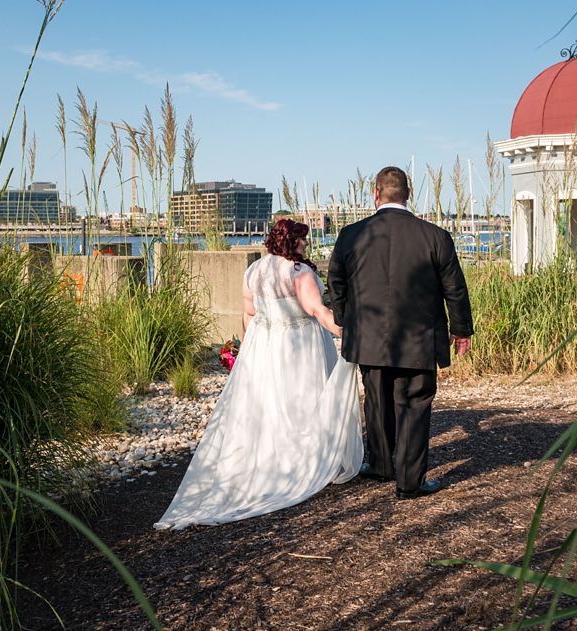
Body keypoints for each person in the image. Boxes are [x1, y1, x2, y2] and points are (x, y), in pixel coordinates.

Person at [154, 220, 363, 529]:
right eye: (302, 240)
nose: (306, 244)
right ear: (291, 241)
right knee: (302, 400)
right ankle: (304, 460)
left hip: (265, 345)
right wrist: (346, 332)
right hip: (300, 346)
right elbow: (317, 311)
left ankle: (272, 459)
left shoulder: (254, 272)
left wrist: (249, 350)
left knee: (270, 403)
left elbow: (249, 314)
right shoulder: (299, 273)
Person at [326, 166, 473, 500]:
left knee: (376, 401)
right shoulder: (435, 236)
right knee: (414, 404)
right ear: (408, 194)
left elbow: (335, 281)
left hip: (368, 337)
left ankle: (380, 465)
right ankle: (409, 481)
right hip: (419, 340)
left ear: (376, 194)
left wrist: (347, 320)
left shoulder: (352, 235)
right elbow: (455, 288)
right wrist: (461, 329)